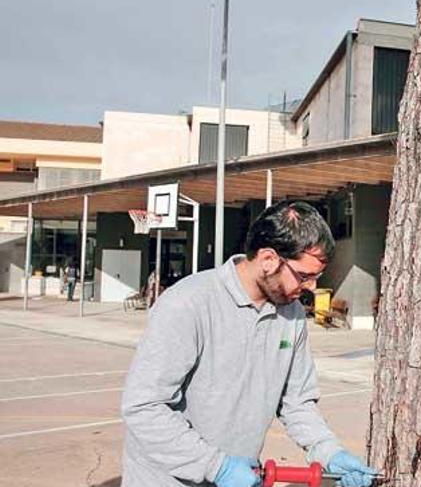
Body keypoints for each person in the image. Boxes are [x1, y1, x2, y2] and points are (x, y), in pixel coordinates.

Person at [121, 200, 376, 487]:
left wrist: (328, 450)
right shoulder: (187, 304)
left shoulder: (290, 314)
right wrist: (216, 467)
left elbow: (297, 402)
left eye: (317, 277)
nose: (312, 288)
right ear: (268, 259)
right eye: (304, 276)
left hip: (238, 478)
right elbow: (144, 407)